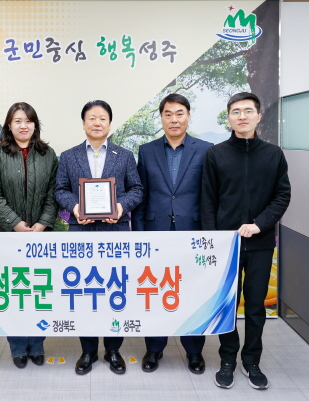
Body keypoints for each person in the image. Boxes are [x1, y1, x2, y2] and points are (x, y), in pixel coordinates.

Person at [201, 92, 291, 390]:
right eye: (236, 111)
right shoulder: (216, 154)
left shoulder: (274, 154)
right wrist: (214, 240)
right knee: (227, 304)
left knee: (255, 306)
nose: (242, 116)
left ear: (258, 116)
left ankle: (252, 361)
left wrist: (259, 225)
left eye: (248, 111)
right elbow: (208, 201)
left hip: (261, 243)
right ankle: (227, 359)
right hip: (226, 246)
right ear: (228, 118)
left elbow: (282, 196)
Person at [54, 100, 143, 375]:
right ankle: (88, 351)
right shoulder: (68, 156)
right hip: (81, 233)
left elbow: (137, 189)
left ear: (109, 124)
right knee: (85, 292)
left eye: (102, 118)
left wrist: (120, 207)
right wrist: (75, 207)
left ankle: (113, 349)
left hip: (115, 233)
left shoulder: (124, 155)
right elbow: (60, 190)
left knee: (115, 291)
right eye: (91, 118)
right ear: (83, 123)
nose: (97, 123)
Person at [132, 93, 213, 374]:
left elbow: (209, 196)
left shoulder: (206, 150)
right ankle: (154, 349)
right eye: (168, 114)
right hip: (155, 233)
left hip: (193, 232)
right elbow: (141, 196)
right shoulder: (147, 151)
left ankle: (194, 351)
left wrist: (209, 236)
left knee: (192, 291)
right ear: (162, 118)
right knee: (155, 290)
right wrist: (139, 235)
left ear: (188, 116)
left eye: (179, 113)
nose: (174, 119)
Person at [0, 102, 58, 369]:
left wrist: (42, 224)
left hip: (41, 237)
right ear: (9, 125)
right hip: (7, 236)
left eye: (28, 120)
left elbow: (54, 193)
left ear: (35, 125)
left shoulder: (48, 155)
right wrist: (15, 224)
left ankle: (37, 344)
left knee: (39, 291)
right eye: (17, 121)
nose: (23, 125)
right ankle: (17, 347)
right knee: (14, 291)